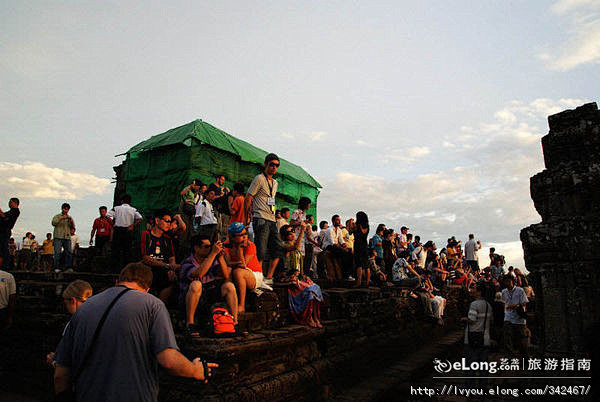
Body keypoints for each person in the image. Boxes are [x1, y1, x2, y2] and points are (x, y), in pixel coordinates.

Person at [53, 263, 217, 402]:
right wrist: (195, 370)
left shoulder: (85, 308)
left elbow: (60, 374)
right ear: (147, 288)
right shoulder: (152, 305)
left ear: (118, 281)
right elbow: (168, 360)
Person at [179, 235, 237, 338]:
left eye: (211, 246)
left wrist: (219, 257)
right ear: (196, 248)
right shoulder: (187, 263)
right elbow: (199, 274)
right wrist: (213, 254)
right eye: (207, 246)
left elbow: (225, 275)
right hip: (191, 298)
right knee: (196, 284)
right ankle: (190, 324)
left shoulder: (211, 261)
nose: (210, 249)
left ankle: (234, 322)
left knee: (229, 286)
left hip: (208, 294)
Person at [244, 153, 284, 288]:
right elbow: (248, 197)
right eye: (272, 164)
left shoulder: (275, 183)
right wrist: (247, 217)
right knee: (260, 249)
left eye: (277, 165)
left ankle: (268, 277)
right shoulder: (259, 179)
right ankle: (258, 278)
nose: (274, 167)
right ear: (266, 164)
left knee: (278, 248)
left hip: (272, 218)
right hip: (260, 217)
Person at [279, 224, 323, 328]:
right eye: (289, 233)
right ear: (284, 236)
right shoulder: (284, 245)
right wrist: (302, 230)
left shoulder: (296, 249)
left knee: (315, 288)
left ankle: (316, 317)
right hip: (288, 277)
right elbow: (295, 247)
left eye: (293, 232)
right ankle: (309, 318)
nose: (292, 234)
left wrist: (304, 275)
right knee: (309, 291)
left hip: (298, 277)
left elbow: (300, 266)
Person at [224, 222, 272, 312]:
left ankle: (241, 305)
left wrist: (239, 249)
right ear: (232, 237)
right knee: (228, 270)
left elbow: (243, 265)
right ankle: (230, 299)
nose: (244, 237)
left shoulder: (250, 245)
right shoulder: (227, 244)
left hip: (254, 275)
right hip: (239, 271)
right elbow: (227, 262)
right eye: (240, 235)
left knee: (238, 272)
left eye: (245, 234)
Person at [46, 280, 93, 367]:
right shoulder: (99, 320)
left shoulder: (73, 324)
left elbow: (67, 363)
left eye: (66, 303)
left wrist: (54, 362)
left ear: (73, 301)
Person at [141, 209, 180, 303]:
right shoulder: (146, 234)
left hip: (163, 269)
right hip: (148, 267)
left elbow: (171, 257)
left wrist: (172, 269)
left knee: (173, 279)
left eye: (170, 222)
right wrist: (168, 266)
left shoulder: (167, 239)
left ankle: (159, 306)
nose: (169, 224)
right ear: (157, 221)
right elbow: (145, 258)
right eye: (167, 221)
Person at [461, 282, 492, 386]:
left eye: (473, 288)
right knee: (483, 366)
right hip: (485, 338)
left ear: (479, 292)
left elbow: (472, 319)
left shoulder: (474, 304)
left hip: (473, 338)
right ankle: (483, 387)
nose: (471, 290)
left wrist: (464, 319)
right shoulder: (488, 305)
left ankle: (469, 387)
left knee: (470, 364)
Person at [108, 194, 142, 272]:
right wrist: (133, 225)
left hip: (118, 230)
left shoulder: (116, 208)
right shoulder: (133, 209)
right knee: (127, 250)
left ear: (122, 201)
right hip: (128, 230)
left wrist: (112, 224)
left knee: (116, 250)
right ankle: (127, 269)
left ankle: (114, 269)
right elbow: (140, 218)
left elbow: (107, 216)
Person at [502, 276, 530, 357]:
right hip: (508, 316)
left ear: (513, 282)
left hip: (518, 317)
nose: (507, 284)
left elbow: (524, 302)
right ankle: (509, 356)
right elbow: (504, 303)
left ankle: (524, 357)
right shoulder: (504, 291)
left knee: (521, 339)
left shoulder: (519, 290)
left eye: (509, 281)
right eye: (506, 282)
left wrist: (516, 306)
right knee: (507, 338)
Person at [51, 203, 75, 273]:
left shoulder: (69, 217)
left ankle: (68, 267)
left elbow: (73, 227)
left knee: (69, 252)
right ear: (62, 209)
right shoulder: (57, 216)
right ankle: (56, 267)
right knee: (57, 252)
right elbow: (53, 223)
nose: (66, 210)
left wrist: (71, 221)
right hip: (58, 236)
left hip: (67, 237)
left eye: (67, 209)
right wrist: (61, 218)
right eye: (65, 209)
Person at [0, 198, 20, 270]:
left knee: (3, 249)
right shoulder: (11, 211)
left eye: (10, 202)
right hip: (3, 231)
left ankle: (5, 266)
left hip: (4, 232)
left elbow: (4, 216)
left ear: (14, 203)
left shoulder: (15, 211)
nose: (9, 203)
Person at [352, 211, 370, 287]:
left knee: (359, 264)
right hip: (365, 245)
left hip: (358, 245)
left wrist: (351, 222)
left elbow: (351, 231)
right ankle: (367, 282)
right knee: (366, 265)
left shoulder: (357, 225)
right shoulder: (367, 226)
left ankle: (359, 282)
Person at [0, 258, 16, 330]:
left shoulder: (8, 276)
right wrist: (9, 316)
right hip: (3, 311)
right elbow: (12, 298)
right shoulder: (8, 276)